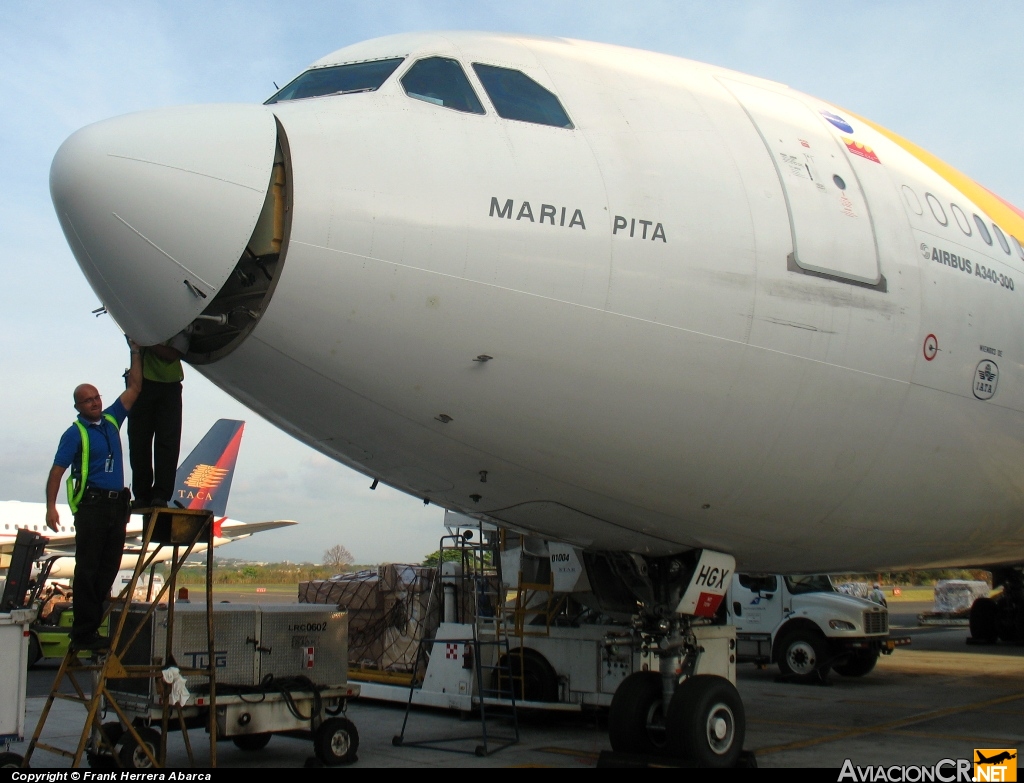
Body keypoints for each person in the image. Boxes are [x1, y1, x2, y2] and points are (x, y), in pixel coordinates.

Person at [45, 342, 143, 651]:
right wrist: (51, 507)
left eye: (96, 397)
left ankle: (92, 625)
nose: (94, 403)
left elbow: (136, 387)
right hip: (92, 506)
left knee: (109, 567)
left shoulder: (112, 419)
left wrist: (136, 351)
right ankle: (83, 632)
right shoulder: (75, 433)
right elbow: (57, 471)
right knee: (86, 569)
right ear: (78, 407)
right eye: (87, 401)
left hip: (117, 506)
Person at [128, 329, 190, 508]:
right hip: (142, 382)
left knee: (167, 442)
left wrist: (144, 340)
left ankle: (160, 495)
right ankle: (142, 494)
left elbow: (173, 354)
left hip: (168, 385)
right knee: (139, 441)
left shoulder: (180, 321)